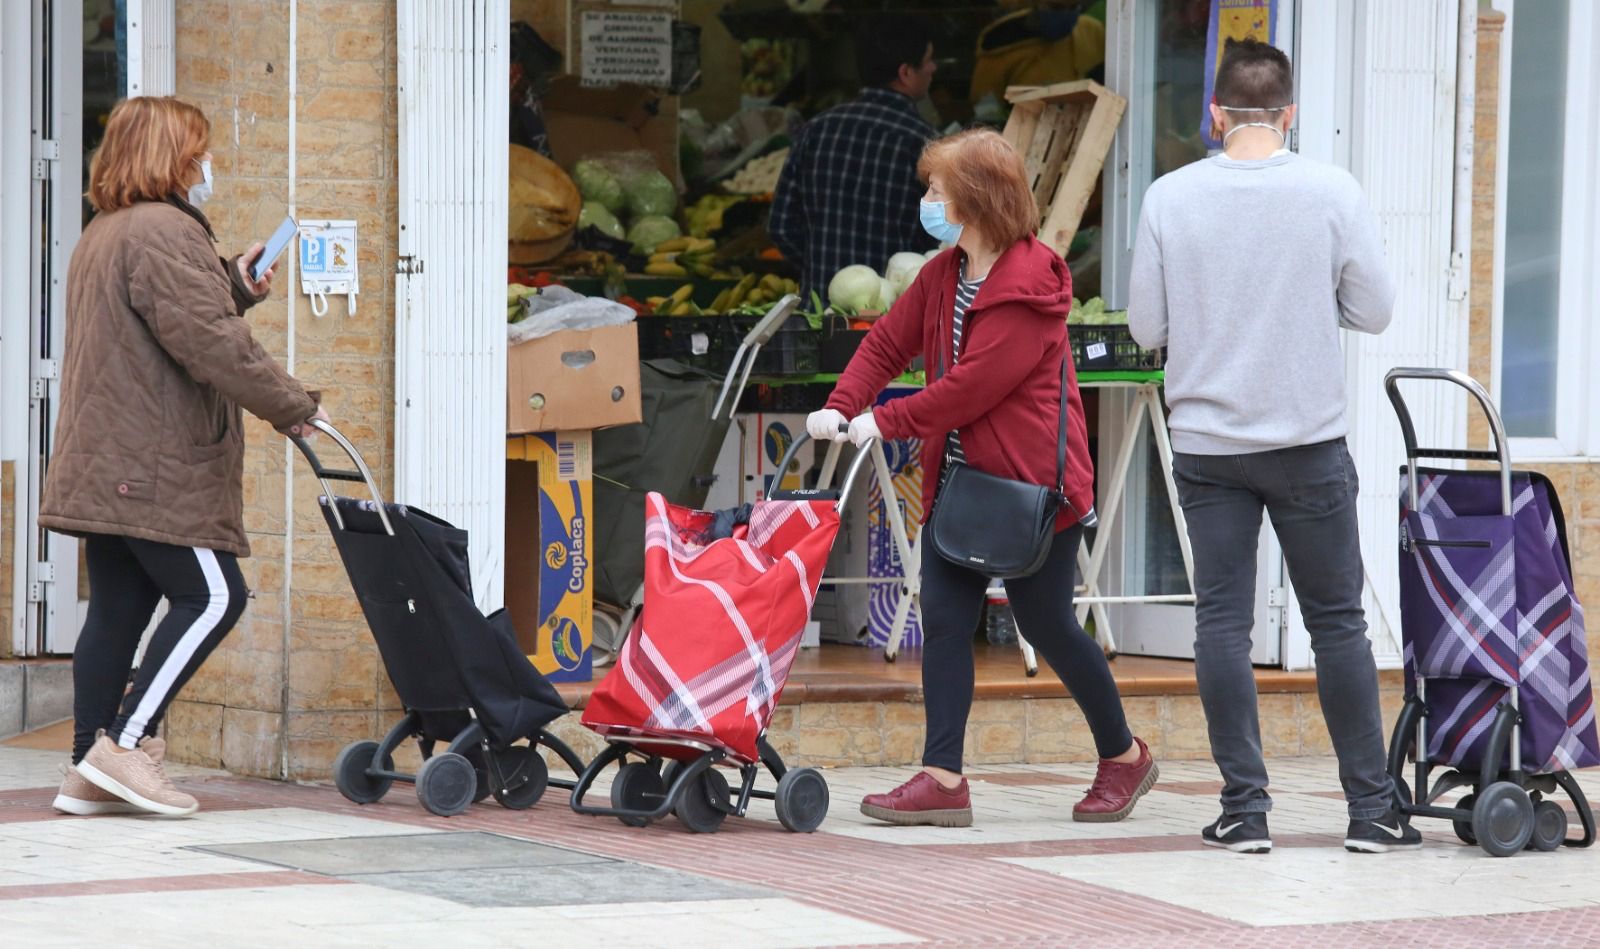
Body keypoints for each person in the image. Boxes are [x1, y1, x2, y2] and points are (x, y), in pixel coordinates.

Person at [808, 129, 1158, 828]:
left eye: (937, 191)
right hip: (961, 484)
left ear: (975, 199)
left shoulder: (1031, 284)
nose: (927, 202)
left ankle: (1124, 755)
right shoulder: (945, 273)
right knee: (942, 618)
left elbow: (974, 387)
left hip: (1034, 489)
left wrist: (887, 419)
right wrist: (841, 404)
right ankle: (943, 777)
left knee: (1049, 624)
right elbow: (886, 341)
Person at [1128, 39, 1415, 854]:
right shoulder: (1331, 190)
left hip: (1208, 444)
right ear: (1289, 115)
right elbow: (1376, 309)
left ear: (1215, 114)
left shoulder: (1168, 197)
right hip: (1307, 442)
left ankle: (1245, 811)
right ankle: (1369, 811)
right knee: (1337, 624)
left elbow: (1147, 327)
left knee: (1221, 623)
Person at [40, 96, 327, 818]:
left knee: (117, 608)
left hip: (108, 460)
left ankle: (85, 768)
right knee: (216, 595)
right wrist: (293, 405)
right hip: (152, 463)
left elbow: (169, 322)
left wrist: (233, 280)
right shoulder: (165, 231)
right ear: (172, 158)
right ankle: (126, 746)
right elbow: (212, 344)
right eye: (197, 153)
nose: (206, 166)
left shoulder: (107, 230)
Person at [769, 18, 940, 299]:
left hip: (820, 315)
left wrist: (823, 268)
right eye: (929, 60)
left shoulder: (815, 129)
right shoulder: (924, 143)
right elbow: (939, 238)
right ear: (906, 72)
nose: (934, 68)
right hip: (891, 320)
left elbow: (781, 226)